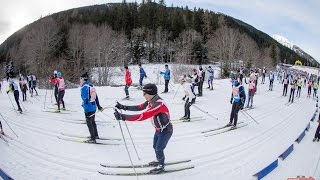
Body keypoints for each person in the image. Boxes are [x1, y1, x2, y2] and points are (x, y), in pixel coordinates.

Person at [114, 83, 173, 174]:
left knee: (159, 148)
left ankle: (161, 165)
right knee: (155, 146)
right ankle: (159, 160)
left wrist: (123, 117)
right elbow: (140, 107)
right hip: (158, 130)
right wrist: (123, 107)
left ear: (150, 93)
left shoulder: (158, 104)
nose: (143, 95)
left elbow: (143, 116)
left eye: (144, 93)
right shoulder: (152, 100)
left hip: (166, 131)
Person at [80, 72, 99, 143]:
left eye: (80, 79)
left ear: (83, 79)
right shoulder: (91, 85)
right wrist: (98, 105)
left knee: (89, 122)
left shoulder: (84, 87)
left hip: (89, 107)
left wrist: (86, 110)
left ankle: (93, 138)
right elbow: (96, 97)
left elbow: (85, 99)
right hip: (94, 106)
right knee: (93, 121)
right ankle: (95, 135)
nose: (80, 81)